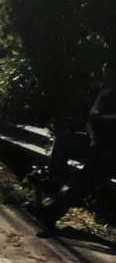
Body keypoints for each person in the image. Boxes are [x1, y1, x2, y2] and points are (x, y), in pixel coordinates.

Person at [37, 63, 116, 229]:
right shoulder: (105, 93)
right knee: (64, 140)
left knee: (85, 178)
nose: (106, 78)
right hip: (97, 144)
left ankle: (53, 211)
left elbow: (99, 120)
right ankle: (55, 181)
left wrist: (101, 123)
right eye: (105, 74)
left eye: (109, 75)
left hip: (109, 154)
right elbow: (92, 120)